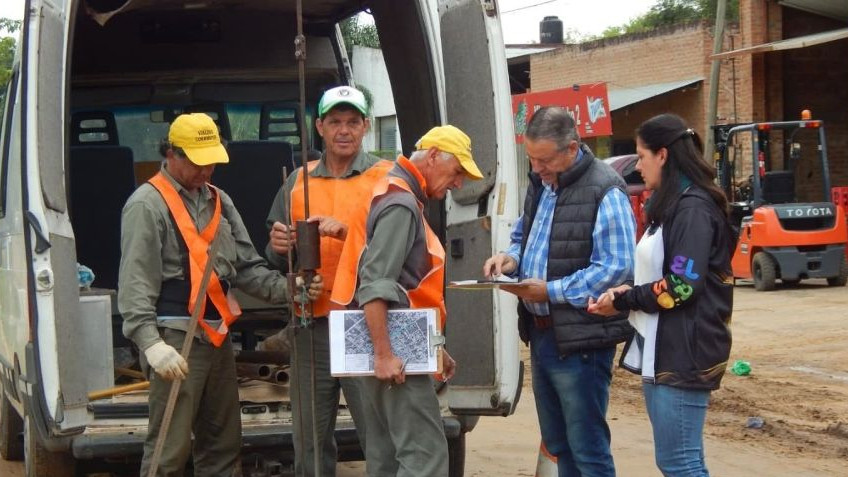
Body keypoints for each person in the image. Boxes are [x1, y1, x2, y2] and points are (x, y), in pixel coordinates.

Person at [118, 112, 323, 476]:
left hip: (216, 337)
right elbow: (135, 284)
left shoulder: (219, 200)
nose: (207, 170)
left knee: (223, 445)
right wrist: (151, 344)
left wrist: (290, 289)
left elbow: (246, 268)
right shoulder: (146, 205)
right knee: (168, 449)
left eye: (212, 161)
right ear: (172, 154)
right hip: (174, 338)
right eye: (198, 162)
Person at [482, 106, 636, 477]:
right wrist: (510, 259)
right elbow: (525, 235)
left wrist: (550, 291)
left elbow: (615, 267)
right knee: (558, 443)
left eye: (545, 160)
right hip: (543, 335)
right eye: (531, 159)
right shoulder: (543, 184)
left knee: (587, 448)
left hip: (581, 342)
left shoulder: (605, 189)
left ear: (572, 148)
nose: (537, 168)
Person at [330, 125, 482, 476]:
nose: (459, 183)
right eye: (457, 171)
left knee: (385, 456)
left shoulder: (391, 190)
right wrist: (384, 355)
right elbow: (376, 284)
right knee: (424, 458)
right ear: (433, 156)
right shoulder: (400, 202)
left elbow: (407, 289)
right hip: (394, 356)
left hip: (389, 346)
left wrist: (433, 347)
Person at [587, 113, 734, 477]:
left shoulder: (693, 209)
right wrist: (627, 293)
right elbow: (665, 278)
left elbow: (682, 286)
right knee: (681, 461)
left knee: (679, 463)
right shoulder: (674, 206)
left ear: (663, 155)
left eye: (641, 156)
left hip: (685, 353)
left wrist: (626, 300)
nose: (637, 166)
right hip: (664, 349)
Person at [265, 85, 393, 476]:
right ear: (319, 127)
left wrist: (348, 234)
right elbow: (274, 256)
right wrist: (279, 245)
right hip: (310, 325)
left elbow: (403, 248)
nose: (344, 130)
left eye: (352, 121)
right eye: (335, 121)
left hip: (364, 323)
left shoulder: (386, 178)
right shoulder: (297, 181)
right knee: (310, 441)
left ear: (366, 126)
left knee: (378, 435)